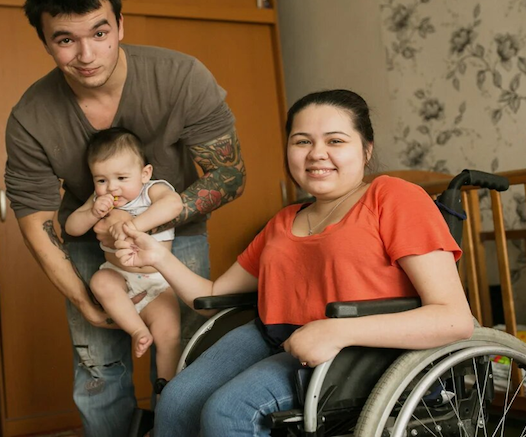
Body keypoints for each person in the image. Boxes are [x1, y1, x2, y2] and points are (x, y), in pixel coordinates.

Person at [114, 89, 475, 436]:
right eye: (302, 141)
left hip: (359, 350)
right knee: (176, 399)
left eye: (335, 141)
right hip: (274, 337)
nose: (316, 153)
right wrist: (158, 255)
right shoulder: (283, 221)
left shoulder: (393, 197)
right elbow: (210, 297)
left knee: (229, 411)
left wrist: (338, 331)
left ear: (366, 150)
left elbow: (453, 318)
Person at [4, 0, 245, 437]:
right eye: (65, 40)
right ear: (46, 42)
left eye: (99, 32)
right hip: (90, 251)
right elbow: (36, 220)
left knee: (181, 358)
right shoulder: (31, 116)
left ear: (119, 24)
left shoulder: (180, 77)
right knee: (99, 374)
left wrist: (159, 216)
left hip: (178, 237)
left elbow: (229, 173)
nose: (87, 54)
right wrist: (84, 299)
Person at [65, 127, 184, 388]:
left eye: (121, 177)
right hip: (120, 276)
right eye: (102, 180)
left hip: (158, 280)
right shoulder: (99, 199)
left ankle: (167, 392)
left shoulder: (151, 190)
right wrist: (92, 213)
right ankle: (137, 330)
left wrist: (132, 226)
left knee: (169, 336)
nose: (112, 188)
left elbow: (174, 204)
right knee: (100, 282)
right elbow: (72, 227)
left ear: (145, 173)